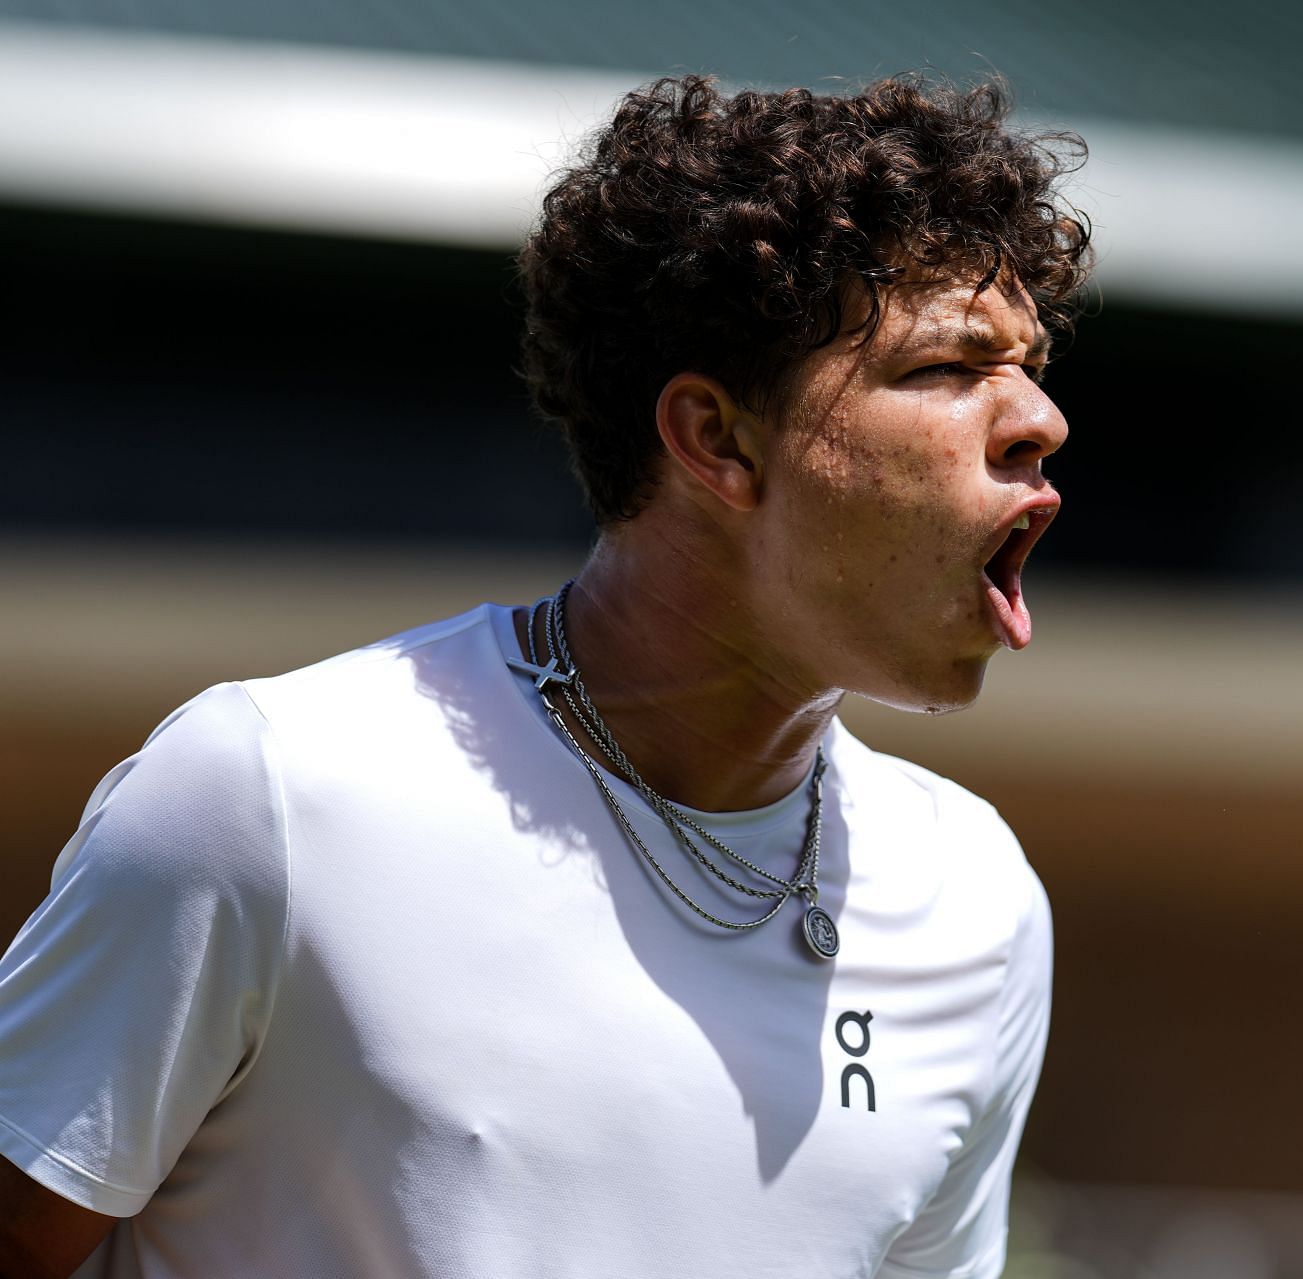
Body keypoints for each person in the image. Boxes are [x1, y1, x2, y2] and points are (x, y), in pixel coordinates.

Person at [0, 73, 1090, 1278]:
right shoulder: (271, 794)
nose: (1038, 416)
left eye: (1033, 364)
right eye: (948, 366)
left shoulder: (977, 900)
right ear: (718, 440)